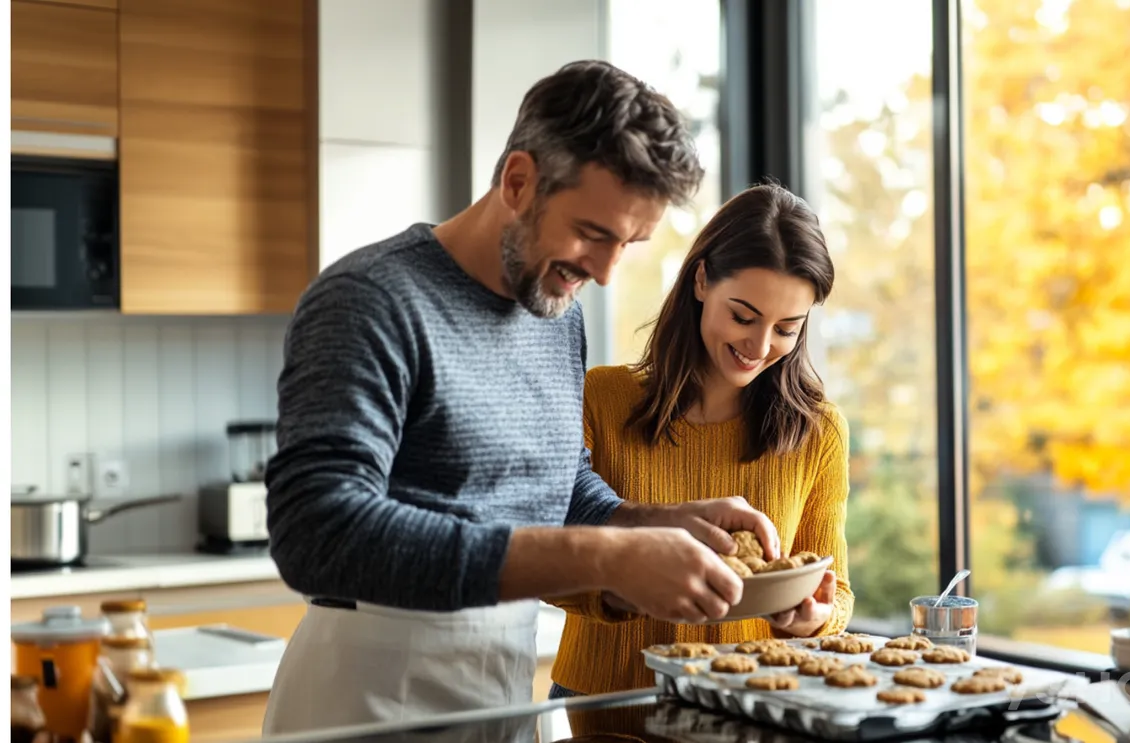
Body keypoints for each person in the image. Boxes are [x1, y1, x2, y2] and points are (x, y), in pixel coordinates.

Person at [259, 60, 782, 735]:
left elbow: (553, 485)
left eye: (630, 243)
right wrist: (603, 556)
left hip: (502, 686)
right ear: (517, 181)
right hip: (367, 697)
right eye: (593, 233)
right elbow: (317, 532)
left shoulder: (557, 314)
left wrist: (653, 522)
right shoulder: (372, 300)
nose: (604, 269)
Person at [546, 183, 853, 700]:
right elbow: (552, 561)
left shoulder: (818, 429)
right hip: (603, 705)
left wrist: (812, 618)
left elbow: (833, 588)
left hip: (750, 707)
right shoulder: (599, 397)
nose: (759, 347)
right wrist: (633, 581)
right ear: (702, 279)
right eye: (743, 316)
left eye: (787, 328)